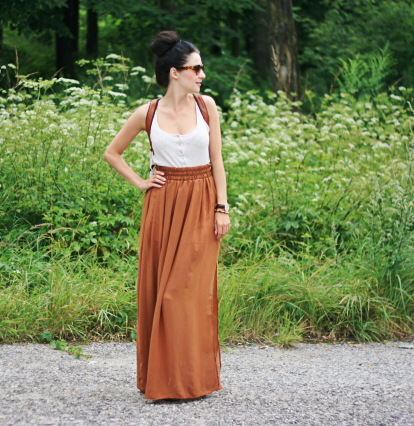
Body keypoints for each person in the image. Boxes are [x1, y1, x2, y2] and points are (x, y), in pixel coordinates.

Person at [104, 31, 230, 400]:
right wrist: (141, 182)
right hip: (162, 205)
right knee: (163, 292)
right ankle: (165, 380)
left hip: (201, 201)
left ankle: (191, 380)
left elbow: (218, 160)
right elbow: (112, 153)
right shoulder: (148, 113)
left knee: (188, 293)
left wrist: (222, 207)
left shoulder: (207, 106)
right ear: (175, 73)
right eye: (196, 68)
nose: (202, 74)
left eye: (201, 68)